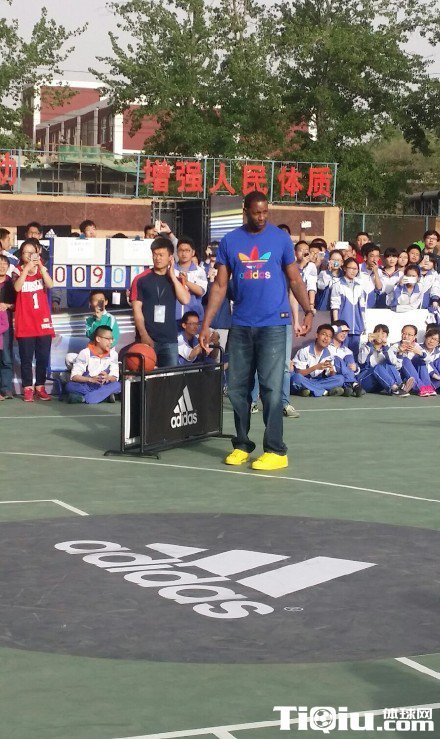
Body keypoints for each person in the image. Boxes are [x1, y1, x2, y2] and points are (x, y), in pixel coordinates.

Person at [199, 190, 312, 471]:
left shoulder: (280, 239)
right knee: (237, 389)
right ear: (245, 211)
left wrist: (308, 309)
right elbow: (220, 286)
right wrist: (206, 323)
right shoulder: (230, 241)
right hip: (241, 324)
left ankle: (276, 450)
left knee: (272, 390)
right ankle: (241, 445)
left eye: (265, 212)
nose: (261, 217)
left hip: (274, 324)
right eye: (256, 212)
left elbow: (295, 279)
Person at [130, 236, 190, 367]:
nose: (157, 258)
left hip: (169, 339)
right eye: (155, 254)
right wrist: (144, 335)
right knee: (145, 375)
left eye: (161, 255)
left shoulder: (176, 280)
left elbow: (185, 300)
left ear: (170, 257)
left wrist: (172, 275)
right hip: (147, 338)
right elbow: (136, 310)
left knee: (170, 377)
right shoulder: (141, 279)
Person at [13, 239, 55, 401]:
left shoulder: (42, 268)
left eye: (32, 252)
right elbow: (17, 287)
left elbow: (50, 285)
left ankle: (40, 386)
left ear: (38, 252)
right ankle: (27, 387)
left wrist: (41, 269)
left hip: (42, 321)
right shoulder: (17, 270)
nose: (29, 255)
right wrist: (26, 269)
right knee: (26, 358)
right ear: (21, 255)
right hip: (25, 321)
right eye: (26, 253)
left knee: (43, 357)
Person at [65, 326, 121, 404]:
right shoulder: (85, 353)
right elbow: (74, 376)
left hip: (104, 385)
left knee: (118, 385)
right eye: (108, 339)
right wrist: (90, 379)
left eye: (112, 339)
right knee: (70, 386)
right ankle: (104, 397)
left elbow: (115, 377)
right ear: (98, 339)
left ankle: (83, 399)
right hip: (87, 385)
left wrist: (108, 377)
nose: (111, 342)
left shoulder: (113, 354)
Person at [357, 324, 414, 396]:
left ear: (387, 336)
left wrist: (398, 352)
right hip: (365, 381)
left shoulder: (387, 349)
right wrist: (369, 343)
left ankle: (400, 385)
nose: (380, 335)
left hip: (380, 384)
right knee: (378, 367)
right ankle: (395, 389)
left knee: (389, 364)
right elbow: (361, 361)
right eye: (378, 332)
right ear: (373, 334)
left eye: (383, 333)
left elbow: (397, 366)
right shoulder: (365, 346)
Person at [290, 324, 345, 397]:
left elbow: (331, 376)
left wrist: (332, 371)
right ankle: (324, 392)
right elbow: (299, 373)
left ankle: (308, 389)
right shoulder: (304, 351)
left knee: (340, 379)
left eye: (329, 336)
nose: (326, 338)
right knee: (297, 378)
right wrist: (316, 367)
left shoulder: (329, 354)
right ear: (317, 335)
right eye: (324, 334)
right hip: (303, 379)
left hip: (317, 381)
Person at [330, 258, 365, 360]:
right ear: (344, 268)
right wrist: (337, 324)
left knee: (354, 355)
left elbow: (362, 308)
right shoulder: (338, 285)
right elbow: (335, 306)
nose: (353, 271)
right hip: (343, 326)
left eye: (356, 269)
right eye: (351, 268)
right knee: (341, 353)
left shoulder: (359, 286)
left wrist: (363, 324)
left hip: (357, 327)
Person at [392, 324, 436, 396]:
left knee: (421, 360)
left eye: (409, 335)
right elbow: (395, 366)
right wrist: (400, 353)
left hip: (413, 377)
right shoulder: (395, 346)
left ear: (414, 337)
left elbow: (428, 360)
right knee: (405, 360)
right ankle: (420, 387)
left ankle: (428, 387)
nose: (406, 336)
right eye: (404, 333)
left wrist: (420, 353)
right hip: (401, 376)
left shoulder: (417, 346)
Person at [174, 237, 207, 323]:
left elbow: (201, 291)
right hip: (174, 315)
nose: (184, 253)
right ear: (177, 252)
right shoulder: (171, 270)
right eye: (181, 250)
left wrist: (186, 282)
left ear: (193, 252)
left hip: (193, 317)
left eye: (187, 250)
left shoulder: (199, 271)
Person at [330, 320, 365, 396]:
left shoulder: (348, 351)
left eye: (346, 332)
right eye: (342, 331)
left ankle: (348, 386)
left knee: (348, 357)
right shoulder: (326, 346)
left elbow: (355, 371)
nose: (344, 334)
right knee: (337, 359)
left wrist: (355, 368)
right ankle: (353, 384)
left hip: (343, 376)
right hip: (331, 375)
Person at [0, 254, 15, 398]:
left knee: (6, 357)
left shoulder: (11, 283)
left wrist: (7, 305)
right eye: (0, 263)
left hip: (6, 325)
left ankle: (6, 389)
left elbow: (17, 305)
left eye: (5, 263)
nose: (2, 266)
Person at [295, 241, 317, 314]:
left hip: (305, 300)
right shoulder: (291, 265)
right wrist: (301, 266)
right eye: (301, 250)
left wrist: (311, 304)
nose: (304, 252)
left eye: (306, 250)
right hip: (293, 299)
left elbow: (312, 285)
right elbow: (295, 281)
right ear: (295, 253)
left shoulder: (311, 266)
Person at [359, 243, 383, 307]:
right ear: (365, 257)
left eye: (377, 256)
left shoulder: (379, 271)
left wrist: (376, 272)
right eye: (372, 256)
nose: (375, 259)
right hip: (359, 305)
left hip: (372, 307)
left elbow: (379, 288)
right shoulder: (358, 268)